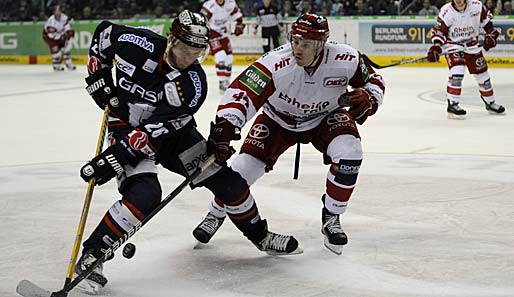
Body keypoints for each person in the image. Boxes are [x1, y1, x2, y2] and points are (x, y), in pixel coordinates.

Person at [76, 10, 301, 294]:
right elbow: (103, 34)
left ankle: (261, 235)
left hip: (173, 137)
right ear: (171, 39)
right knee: (144, 195)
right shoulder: (138, 42)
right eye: (184, 49)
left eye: (196, 52)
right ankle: (92, 256)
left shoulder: (192, 85)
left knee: (230, 185)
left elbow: (154, 133)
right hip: (125, 125)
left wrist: (116, 157)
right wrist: (98, 76)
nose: (188, 58)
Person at [192, 12, 386, 255]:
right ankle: (215, 213)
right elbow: (242, 93)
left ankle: (332, 215)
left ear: (321, 44)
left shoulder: (346, 58)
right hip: (277, 121)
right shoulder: (275, 62)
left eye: (306, 44)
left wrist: (370, 97)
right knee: (242, 170)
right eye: (295, 41)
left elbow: (375, 81)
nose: (298, 49)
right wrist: (228, 123)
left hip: (324, 118)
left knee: (350, 153)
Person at [427, 0, 506, 119]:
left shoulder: (477, 6)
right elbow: (439, 31)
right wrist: (437, 47)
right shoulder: (446, 11)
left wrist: (491, 34)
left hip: (472, 45)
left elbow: (486, 22)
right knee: (457, 71)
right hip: (453, 45)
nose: (458, 0)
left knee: (483, 75)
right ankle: (452, 104)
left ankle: (490, 103)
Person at [200, 0, 245, 94]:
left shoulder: (230, 3)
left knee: (229, 58)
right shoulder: (209, 5)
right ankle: (221, 81)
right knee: (220, 55)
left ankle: (226, 82)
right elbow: (201, 21)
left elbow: (238, 17)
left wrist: (239, 26)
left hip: (224, 34)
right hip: (212, 33)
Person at [42, 4, 76, 71]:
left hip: (59, 35)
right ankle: (56, 66)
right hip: (49, 37)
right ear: (54, 12)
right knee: (57, 53)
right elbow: (51, 35)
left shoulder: (64, 17)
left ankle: (68, 63)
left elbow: (67, 26)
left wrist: (68, 32)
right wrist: (62, 36)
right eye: (56, 11)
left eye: (59, 10)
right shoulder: (50, 22)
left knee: (67, 48)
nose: (58, 12)